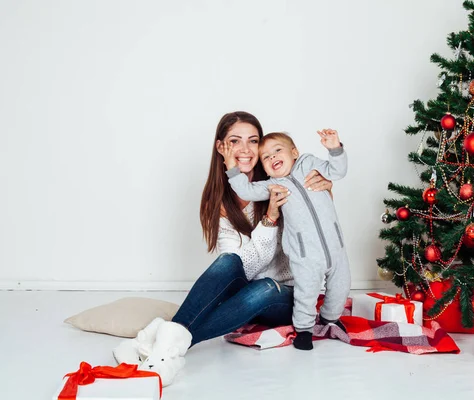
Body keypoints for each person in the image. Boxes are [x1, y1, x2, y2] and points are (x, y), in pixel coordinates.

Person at [112, 111, 333, 385]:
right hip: (248, 289)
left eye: (253, 141)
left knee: (263, 287)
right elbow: (244, 266)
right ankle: (165, 350)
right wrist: (270, 219)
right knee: (229, 262)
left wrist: (326, 185)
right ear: (220, 148)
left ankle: (157, 340)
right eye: (235, 141)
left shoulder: (283, 182)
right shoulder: (219, 201)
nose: (245, 149)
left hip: (291, 295)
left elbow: (322, 223)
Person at [223, 130, 351, 351]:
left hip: (335, 247)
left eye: (277, 151)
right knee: (306, 292)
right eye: (266, 157)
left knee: (341, 286)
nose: (272, 157)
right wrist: (230, 166)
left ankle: (330, 319)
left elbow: (337, 171)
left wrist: (334, 148)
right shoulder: (273, 185)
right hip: (304, 254)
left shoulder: (309, 163)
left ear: (294, 152)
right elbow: (246, 189)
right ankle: (304, 330)